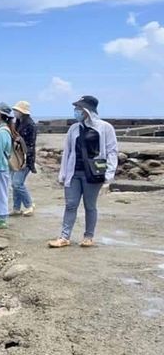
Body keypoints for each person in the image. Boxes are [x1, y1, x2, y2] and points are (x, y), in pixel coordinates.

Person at [49, 96, 118, 248]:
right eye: (76, 109)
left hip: (93, 174)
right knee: (70, 204)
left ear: (88, 110)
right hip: (74, 172)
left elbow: (112, 151)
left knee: (90, 206)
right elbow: (67, 152)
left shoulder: (105, 127)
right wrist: (62, 173)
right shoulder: (74, 129)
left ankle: (88, 236)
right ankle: (64, 237)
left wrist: (109, 175)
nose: (77, 111)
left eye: (80, 109)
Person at [11, 101, 37, 216]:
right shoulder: (18, 123)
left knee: (17, 183)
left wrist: (26, 158)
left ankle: (29, 205)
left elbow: (31, 144)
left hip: (25, 158)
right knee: (14, 183)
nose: (14, 112)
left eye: (16, 111)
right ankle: (16, 208)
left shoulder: (30, 125)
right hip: (16, 156)